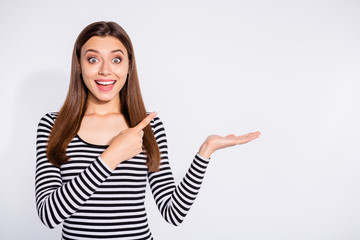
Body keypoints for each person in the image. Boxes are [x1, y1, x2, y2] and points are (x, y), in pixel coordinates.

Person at [35, 21, 260, 240]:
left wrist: (205, 151)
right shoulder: (54, 125)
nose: (105, 70)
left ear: (129, 66)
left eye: (116, 59)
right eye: (93, 59)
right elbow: (48, 215)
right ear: (79, 65)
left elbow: (173, 212)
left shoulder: (147, 125)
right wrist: (112, 156)